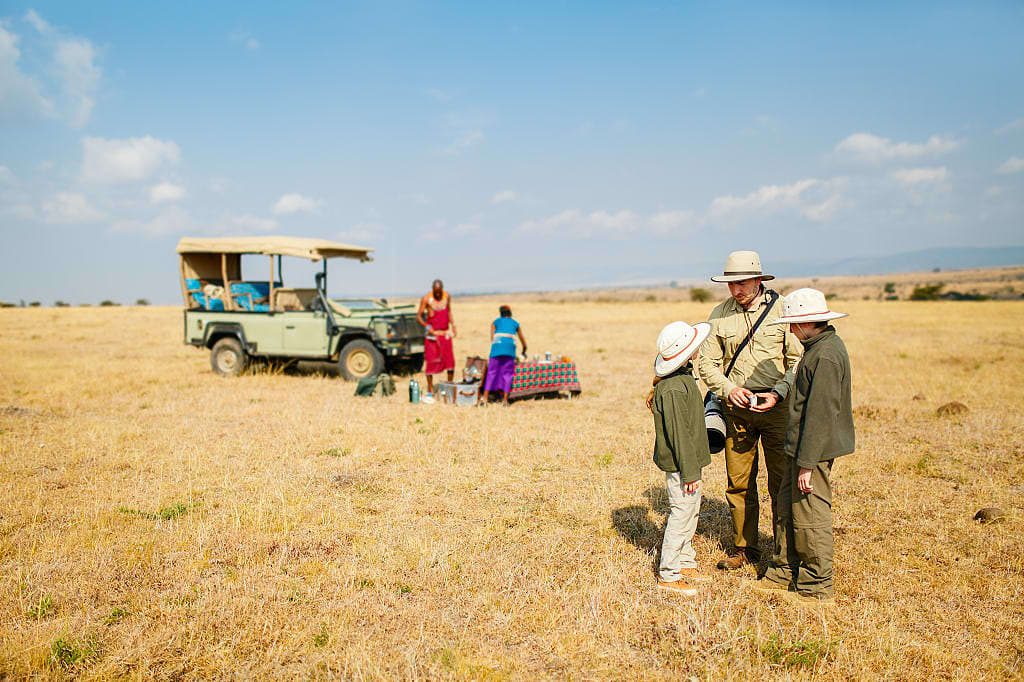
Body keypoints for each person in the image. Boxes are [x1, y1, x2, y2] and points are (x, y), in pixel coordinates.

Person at [696, 250, 802, 572]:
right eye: (731, 284)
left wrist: (778, 392)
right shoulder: (719, 314)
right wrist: (729, 390)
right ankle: (744, 549)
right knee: (739, 483)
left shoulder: (782, 309)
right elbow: (707, 365)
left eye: (742, 283)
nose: (736, 289)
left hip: (777, 408)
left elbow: (797, 361)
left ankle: (785, 553)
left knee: (782, 482)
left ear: (758, 280)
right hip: (736, 409)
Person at [756, 288, 854, 604]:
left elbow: (821, 414)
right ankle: (783, 572)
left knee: (810, 516)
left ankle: (816, 586)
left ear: (806, 322)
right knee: (787, 509)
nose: (790, 330)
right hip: (799, 447)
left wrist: (807, 464)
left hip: (813, 450)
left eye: (792, 324)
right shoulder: (817, 348)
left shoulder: (825, 355)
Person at [650, 320, 713, 595]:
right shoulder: (674, 388)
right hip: (682, 465)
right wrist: (690, 472)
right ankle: (668, 573)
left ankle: (685, 561)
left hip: (689, 462)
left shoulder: (684, 377)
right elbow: (679, 435)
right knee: (681, 514)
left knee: (691, 511)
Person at [416, 279, 456, 402]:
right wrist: (428, 327)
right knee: (431, 362)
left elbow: (449, 311)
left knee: (450, 362)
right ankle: (430, 389)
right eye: (436, 292)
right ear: (433, 289)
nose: (438, 294)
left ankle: (449, 387)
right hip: (432, 336)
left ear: (442, 289)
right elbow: (419, 316)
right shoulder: (426, 299)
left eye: (439, 292)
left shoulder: (446, 296)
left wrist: (453, 325)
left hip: (445, 334)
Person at [480, 305, 526, 406]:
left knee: (491, 373)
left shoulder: (495, 322)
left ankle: (485, 399)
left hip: (497, 348)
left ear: (500, 313)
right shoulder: (515, 323)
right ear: (510, 313)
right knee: (508, 374)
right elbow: (522, 339)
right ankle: (505, 401)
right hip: (509, 350)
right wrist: (524, 349)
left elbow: (492, 338)